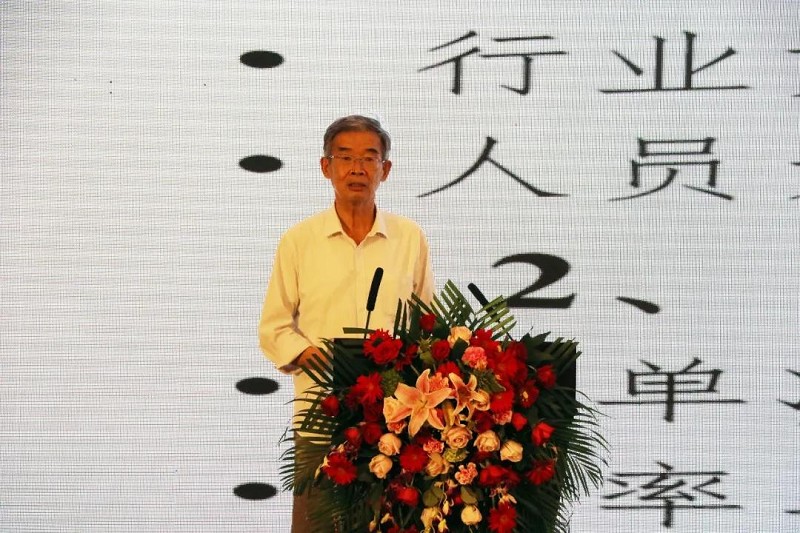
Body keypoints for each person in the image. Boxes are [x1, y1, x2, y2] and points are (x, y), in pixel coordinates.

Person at [258, 115, 435, 532]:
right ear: (326, 167)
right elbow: (274, 326)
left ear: (385, 170)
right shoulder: (299, 241)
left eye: (369, 158)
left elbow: (428, 325)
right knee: (317, 523)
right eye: (345, 157)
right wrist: (309, 356)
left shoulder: (409, 238)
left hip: (394, 418)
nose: (357, 168)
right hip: (322, 414)